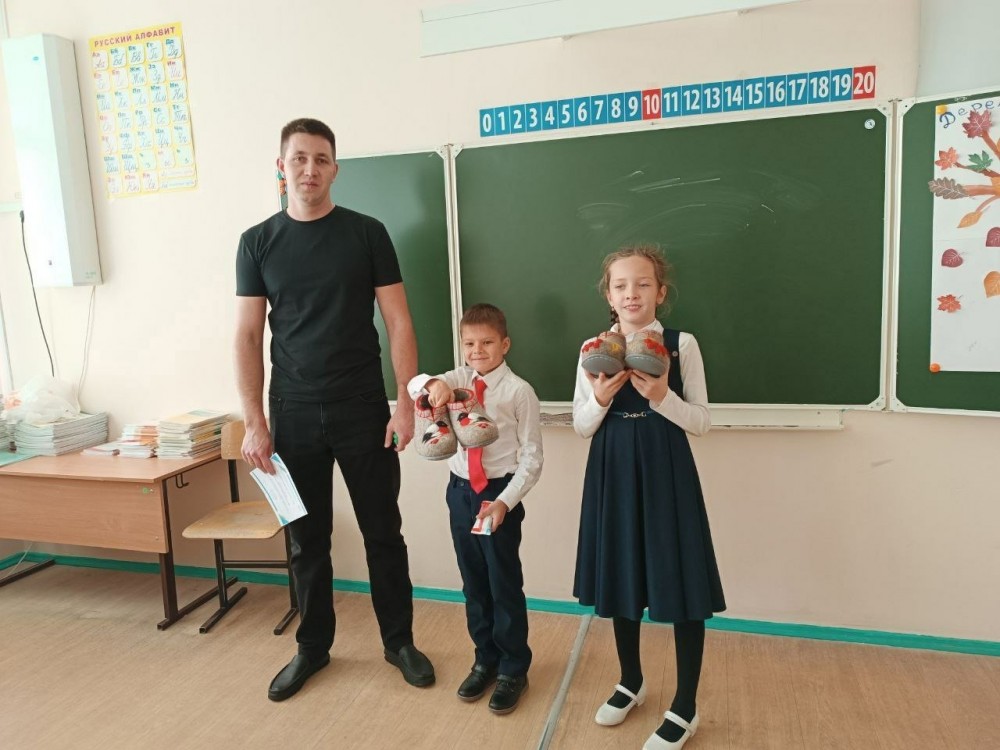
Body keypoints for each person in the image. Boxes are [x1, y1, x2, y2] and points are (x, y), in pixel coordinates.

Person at [235, 117, 434, 702]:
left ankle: (398, 642)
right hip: (292, 413)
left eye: (321, 159)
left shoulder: (367, 233)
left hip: (363, 408)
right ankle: (312, 647)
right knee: (306, 540)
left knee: (383, 533)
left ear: (335, 169)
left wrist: (405, 404)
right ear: (281, 167)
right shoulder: (257, 242)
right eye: (299, 158)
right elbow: (247, 335)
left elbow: (398, 321)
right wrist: (254, 421)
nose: (310, 170)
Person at [572, 245, 726, 750]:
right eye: (621, 285)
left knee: (680, 578)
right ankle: (630, 682)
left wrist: (663, 397)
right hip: (613, 468)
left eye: (643, 284)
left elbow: (701, 422)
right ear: (609, 295)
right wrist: (600, 398)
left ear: (660, 292)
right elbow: (581, 426)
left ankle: (685, 705)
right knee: (622, 574)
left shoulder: (682, 345)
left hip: (666, 469)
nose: (631, 294)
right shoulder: (593, 348)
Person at [407, 303, 543, 715]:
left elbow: (532, 458)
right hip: (460, 494)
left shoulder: (519, 391)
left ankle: (513, 668)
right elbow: (415, 384)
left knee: (503, 584)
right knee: (473, 583)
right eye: (469, 344)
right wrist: (434, 385)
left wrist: (504, 502)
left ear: (505, 344)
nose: (477, 351)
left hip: (499, 494)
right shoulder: (458, 379)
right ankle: (485, 660)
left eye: (487, 343)